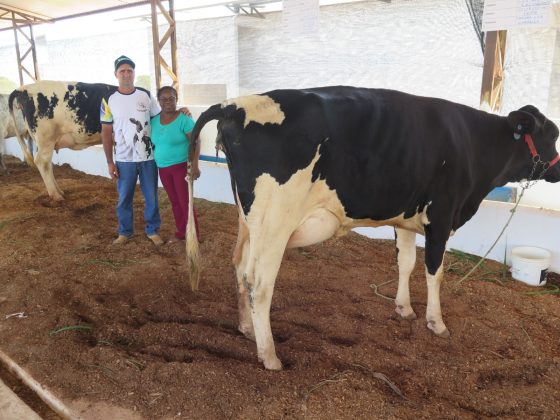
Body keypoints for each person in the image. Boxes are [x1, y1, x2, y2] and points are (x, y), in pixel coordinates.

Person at [101, 55, 164, 245]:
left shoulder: (146, 95)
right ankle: (125, 231)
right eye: (122, 71)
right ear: (116, 74)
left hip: (148, 157)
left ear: (134, 73)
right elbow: (106, 132)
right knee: (124, 198)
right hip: (123, 159)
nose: (126, 74)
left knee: (151, 196)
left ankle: (152, 230)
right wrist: (110, 162)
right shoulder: (108, 100)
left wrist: (180, 113)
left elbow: (160, 120)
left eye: (130, 70)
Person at [151, 86, 201, 243]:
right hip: (163, 168)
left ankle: (194, 235)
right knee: (174, 201)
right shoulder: (153, 121)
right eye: (163, 99)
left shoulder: (184, 119)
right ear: (158, 101)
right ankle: (181, 232)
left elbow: (196, 141)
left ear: (176, 99)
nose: (167, 101)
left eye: (171, 98)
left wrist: (195, 165)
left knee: (185, 202)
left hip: (181, 167)